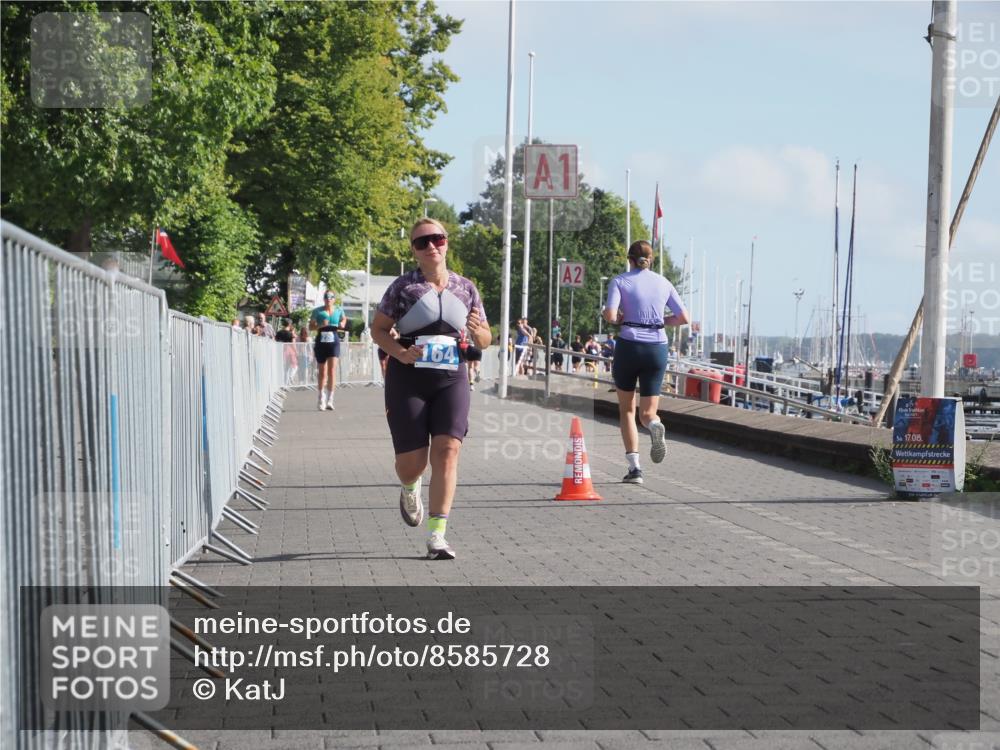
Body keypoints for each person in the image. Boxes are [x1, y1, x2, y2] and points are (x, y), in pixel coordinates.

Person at [370, 218, 491, 560]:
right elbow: (378, 330)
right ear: (414, 250)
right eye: (422, 242)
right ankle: (410, 488)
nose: (431, 246)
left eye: (436, 239)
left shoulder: (465, 288)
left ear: (447, 242)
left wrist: (478, 330)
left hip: (452, 376)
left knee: (448, 450)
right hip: (408, 377)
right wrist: (400, 353)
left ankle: (437, 535)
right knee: (413, 463)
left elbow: (485, 338)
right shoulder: (402, 287)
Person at [603, 240, 689, 484]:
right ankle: (654, 425)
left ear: (629, 258)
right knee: (648, 412)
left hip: (629, 345)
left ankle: (635, 468)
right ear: (651, 260)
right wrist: (662, 322)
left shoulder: (620, 281)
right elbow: (683, 317)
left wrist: (613, 316)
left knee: (627, 410)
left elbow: (610, 315)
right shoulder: (664, 283)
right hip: (657, 347)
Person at [310, 291, 348, 410]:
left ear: (334, 299)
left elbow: (344, 319)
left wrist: (342, 323)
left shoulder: (339, 310)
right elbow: (310, 326)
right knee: (322, 372)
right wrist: (320, 325)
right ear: (324, 299)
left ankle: (330, 399)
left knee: (332, 371)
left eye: (331, 297)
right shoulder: (317, 311)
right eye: (326, 297)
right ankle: (321, 397)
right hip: (321, 340)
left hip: (334, 340)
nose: (328, 299)